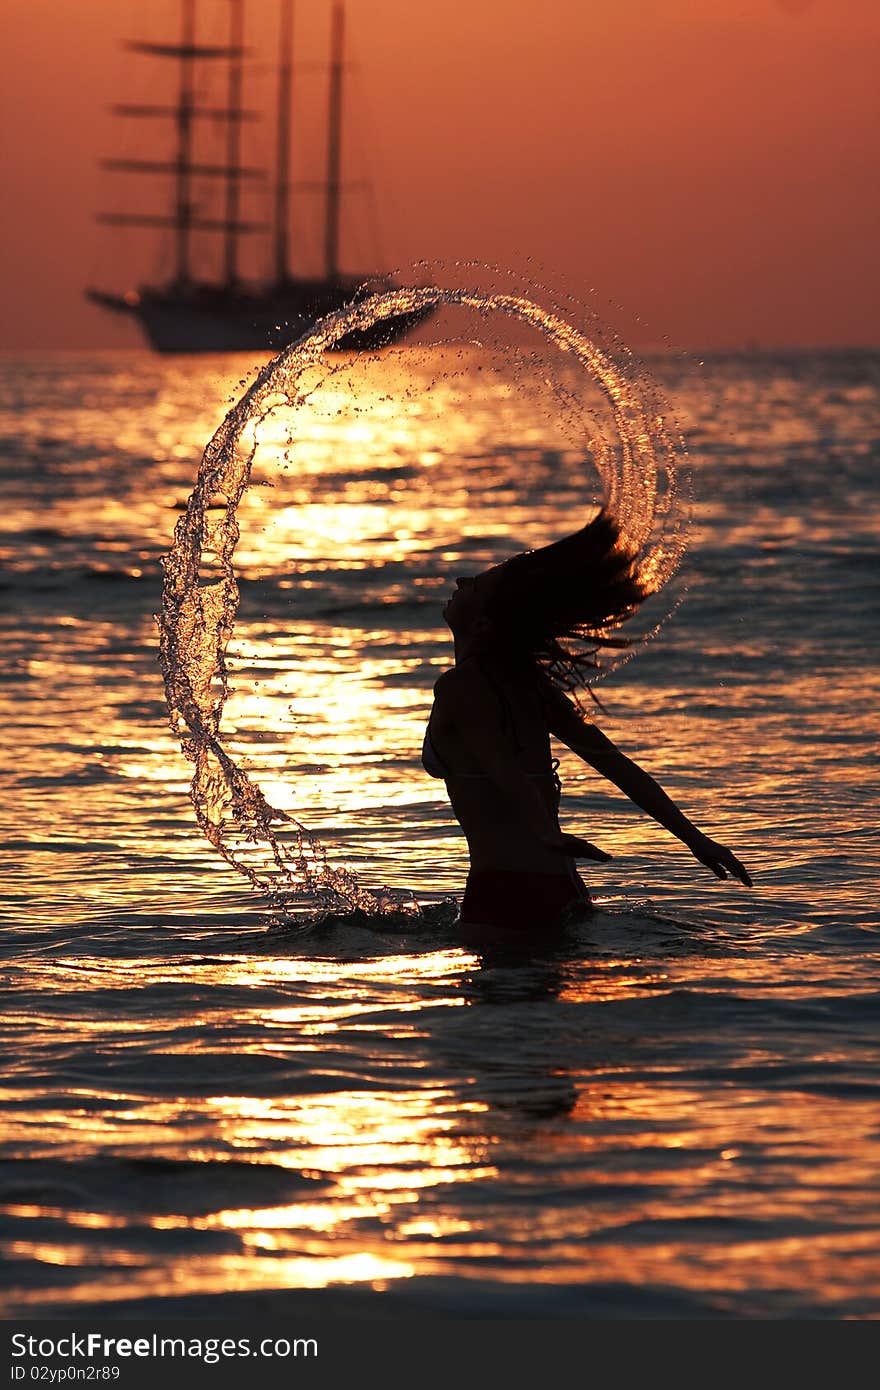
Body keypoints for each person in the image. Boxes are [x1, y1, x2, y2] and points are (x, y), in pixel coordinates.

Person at [422, 508, 752, 942]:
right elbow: (615, 765)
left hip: (504, 893)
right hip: (563, 889)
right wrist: (693, 839)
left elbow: (503, 770)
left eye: (475, 585)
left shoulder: (460, 687)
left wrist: (546, 834)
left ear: (482, 623)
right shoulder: (527, 684)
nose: (461, 582)